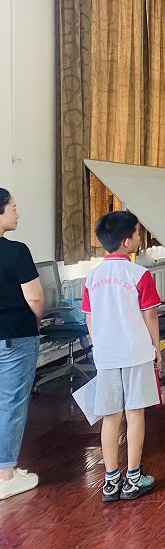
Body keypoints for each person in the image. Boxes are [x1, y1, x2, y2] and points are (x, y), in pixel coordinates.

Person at [82, 211, 162, 502]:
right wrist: (156, 348)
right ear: (127, 241)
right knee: (135, 413)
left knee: (110, 416)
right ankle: (133, 479)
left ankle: (110, 480)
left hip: (105, 355)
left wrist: (99, 345)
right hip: (136, 352)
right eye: (138, 234)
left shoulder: (91, 277)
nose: (140, 238)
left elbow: (89, 317)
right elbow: (150, 315)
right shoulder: (139, 274)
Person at [0, 189, 44, 500]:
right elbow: (35, 298)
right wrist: (37, 321)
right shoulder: (16, 251)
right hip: (15, 336)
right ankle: (5, 475)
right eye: (13, 208)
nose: (17, 214)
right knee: (11, 403)